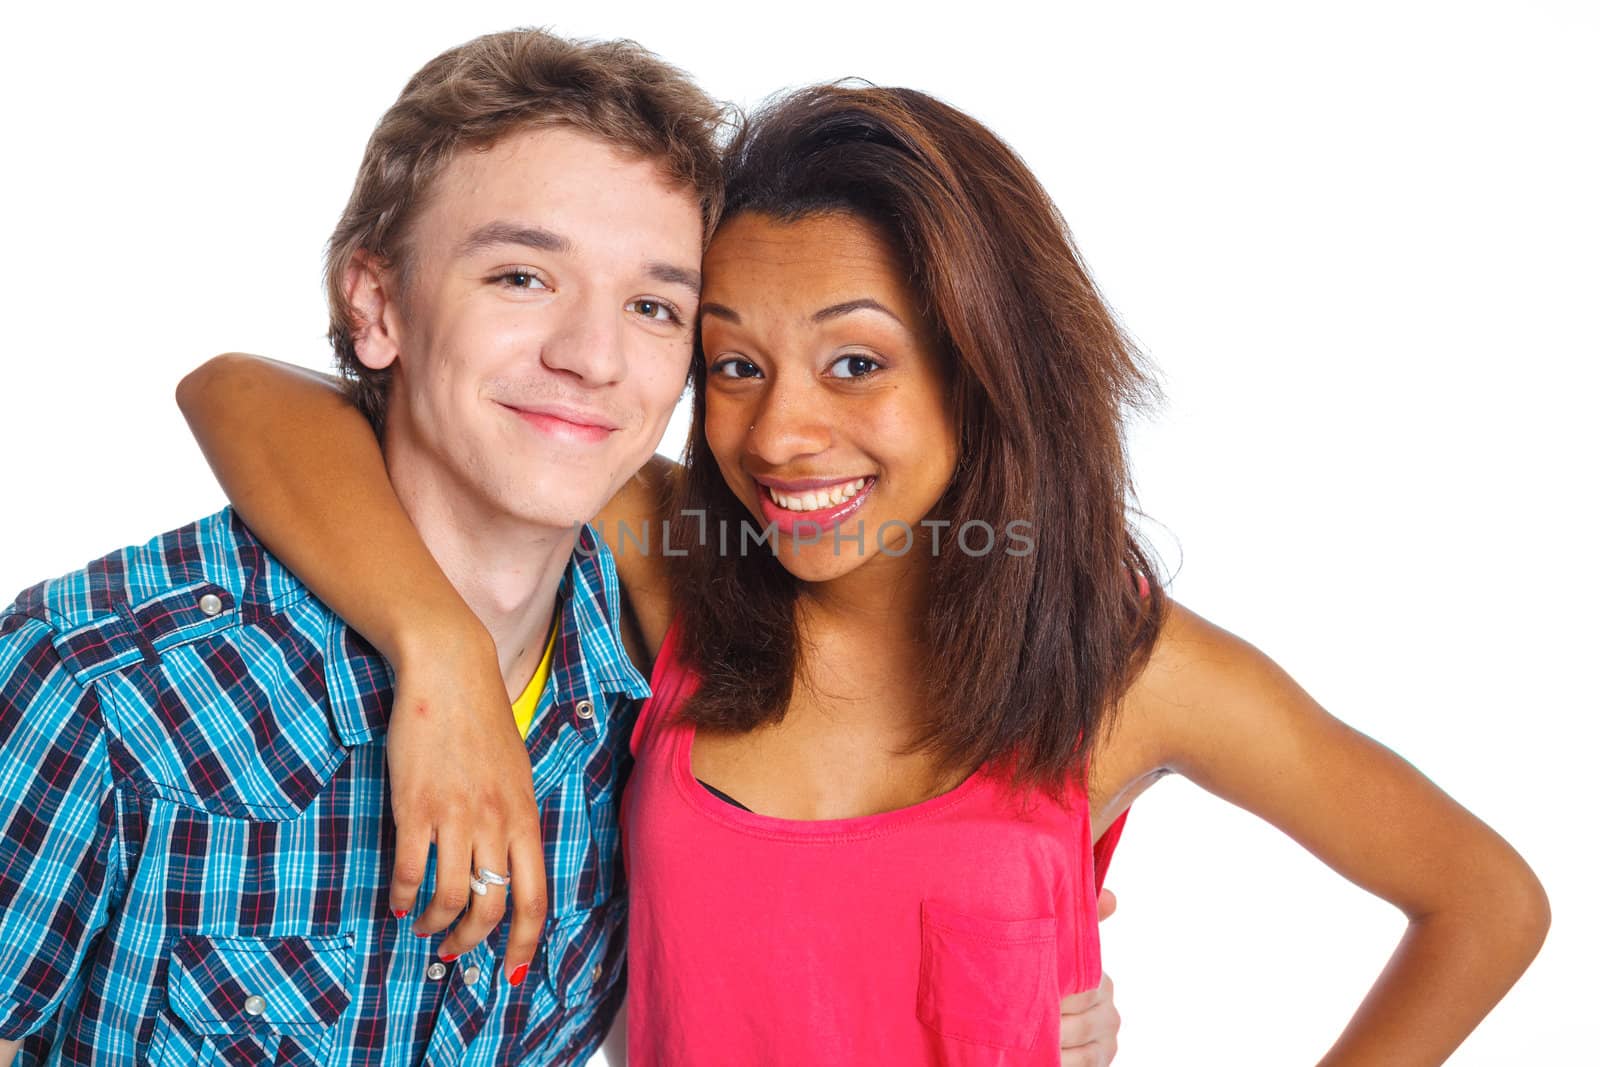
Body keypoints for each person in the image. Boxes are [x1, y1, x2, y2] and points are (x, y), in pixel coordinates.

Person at [173, 82, 1551, 1065]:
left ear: (981, 367)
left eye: (855, 362)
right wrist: (444, 655)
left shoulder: (1124, 669)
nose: (778, 433)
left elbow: (1485, 900)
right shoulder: (684, 565)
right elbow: (243, 391)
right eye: (732, 364)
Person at [0, 28, 727, 1065]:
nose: (592, 356)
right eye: (522, 277)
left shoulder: (650, 712)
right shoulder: (101, 681)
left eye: (653, 306)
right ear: (376, 306)